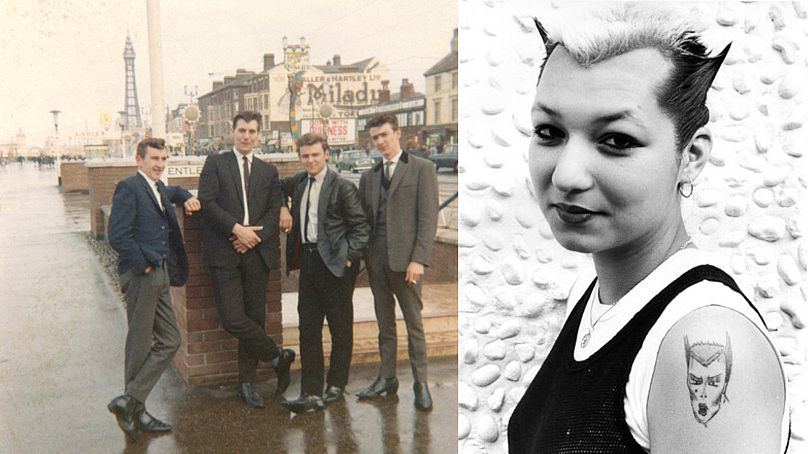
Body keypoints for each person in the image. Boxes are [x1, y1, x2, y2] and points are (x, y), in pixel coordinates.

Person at [507, 4, 790, 453]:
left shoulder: (702, 337)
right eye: (549, 132)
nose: (566, 175)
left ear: (690, 157)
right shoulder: (597, 297)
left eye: (616, 140)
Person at [198, 111, 295, 408]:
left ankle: (247, 382)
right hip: (225, 252)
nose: (247, 136)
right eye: (242, 130)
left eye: (253, 131)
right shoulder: (216, 163)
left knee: (255, 318)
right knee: (232, 318)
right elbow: (208, 203)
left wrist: (255, 237)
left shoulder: (268, 171)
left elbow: (272, 207)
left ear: (259, 134)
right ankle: (277, 356)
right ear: (232, 131)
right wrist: (237, 230)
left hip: (257, 254)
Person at [107, 137, 201, 437]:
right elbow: (117, 235)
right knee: (140, 341)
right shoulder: (129, 187)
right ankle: (136, 407)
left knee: (170, 340)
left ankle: (130, 401)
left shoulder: (159, 187)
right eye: (154, 159)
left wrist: (185, 195)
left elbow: (172, 191)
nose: (159, 164)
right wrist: (144, 263)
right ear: (139, 160)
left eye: (163, 159)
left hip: (160, 274)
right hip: (142, 274)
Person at [277, 132, 370, 413]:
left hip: (336, 266)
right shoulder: (299, 182)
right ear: (300, 157)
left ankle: (336, 384)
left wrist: (349, 259)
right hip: (308, 263)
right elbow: (278, 186)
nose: (310, 160)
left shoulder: (342, 187)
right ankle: (311, 391)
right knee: (308, 328)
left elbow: (361, 228)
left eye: (315, 155)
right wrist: (284, 207)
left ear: (326, 154)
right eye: (305, 156)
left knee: (340, 328)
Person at [357, 113, 439, 411]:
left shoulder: (422, 169)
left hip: (407, 265)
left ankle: (421, 383)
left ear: (397, 134)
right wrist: (363, 257)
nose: (380, 142)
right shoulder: (369, 177)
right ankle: (387, 378)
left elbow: (428, 219)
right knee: (384, 325)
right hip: (377, 262)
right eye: (375, 137)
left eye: (384, 136)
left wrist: (419, 259)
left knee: (414, 324)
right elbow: (365, 220)